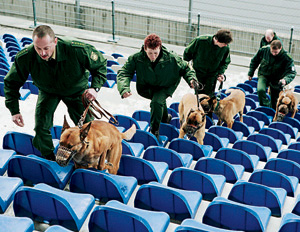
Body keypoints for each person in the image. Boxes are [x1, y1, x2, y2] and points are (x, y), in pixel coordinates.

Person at [4, 25, 107, 161]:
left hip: (76, 91)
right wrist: (14, 110)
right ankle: (49, 158)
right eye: (38, 48)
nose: (43, 53)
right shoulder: (26, 56)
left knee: (87, 128)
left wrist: (95, 88)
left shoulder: (77, 49)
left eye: (46, 48)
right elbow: (11, 82)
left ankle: (89, 157)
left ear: (55, 41)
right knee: (41, 127)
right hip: (48, 91)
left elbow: (100, 66)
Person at [117, 33, 196, 139]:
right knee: (158, 102)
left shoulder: (171, 57)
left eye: (155, 53)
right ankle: (165, 118)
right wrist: (124, 88)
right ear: (145, 49)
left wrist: (191, 79)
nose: (153, 56)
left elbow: (186, 68)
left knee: (156, 102)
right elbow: (124, 72)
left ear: (160, 48)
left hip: (165, 85)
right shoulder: (136, 58)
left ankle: (154, 132)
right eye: (150, 53)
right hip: (147, 87)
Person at [183, 29, 232, 97]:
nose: (226, 45)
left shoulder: (225, 48)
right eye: (224, 44)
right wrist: (188, 69)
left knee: (209, 97)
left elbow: (225, 62)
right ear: (217, 41)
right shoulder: (200, 41)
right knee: (199, 95)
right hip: (198, 73)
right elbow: (187, 54)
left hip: (212, 75)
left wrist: (221, 73)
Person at [248, 40, 296, 109]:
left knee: (275, 100)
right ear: (270, 47)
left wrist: (285, 80)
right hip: (264, 75)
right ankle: (265, 107)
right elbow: (255, 61)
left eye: (276, 52)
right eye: (272, 51)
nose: (273, 54)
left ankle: (272, 111)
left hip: (276, 79)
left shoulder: (286, 57)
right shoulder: (264, 50)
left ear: (280, 48)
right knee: (260, 90)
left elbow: (292, 72)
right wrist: (251, 73)